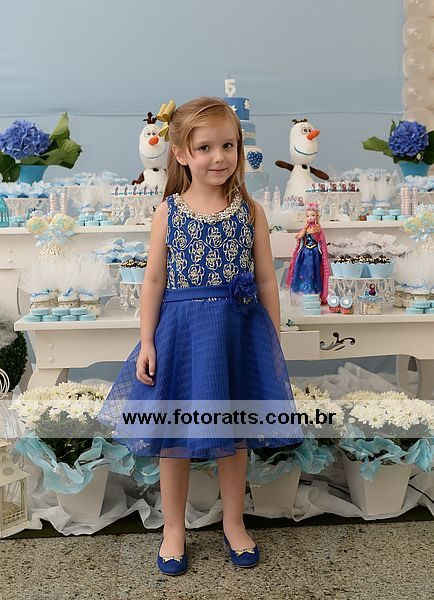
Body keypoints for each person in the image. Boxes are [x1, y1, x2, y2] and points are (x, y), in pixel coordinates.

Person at [98, 97, 303, 575]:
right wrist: (148, 341)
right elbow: (153, 280)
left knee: (234, 434)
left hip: (237, 335)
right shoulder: (169, 212)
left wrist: (270, 340)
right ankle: (174, 528)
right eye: (205, 147)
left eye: (228, 145)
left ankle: (234, 521)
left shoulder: (248, 210)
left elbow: (266, 279)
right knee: (175, 435)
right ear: (181, 153)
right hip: (182, 338)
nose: (219, 157)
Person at [286, 202, 330, 303]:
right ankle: (303, 291)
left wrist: (320, 250)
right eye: (308, 216)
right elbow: (301, 239)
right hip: (305, 253)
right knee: (303, 271)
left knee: (313, 271)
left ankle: (313, 291)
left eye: (312, 215)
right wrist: (300, 238)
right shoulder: (305, 229)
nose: (310, 218)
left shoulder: (318, 229)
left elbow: (321, 242)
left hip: (314, 253)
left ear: (317, 216)